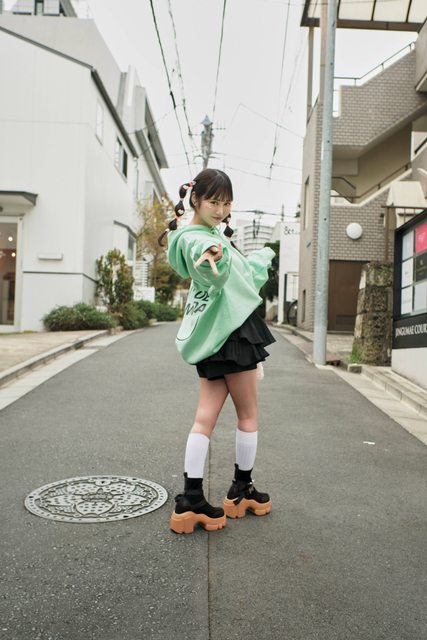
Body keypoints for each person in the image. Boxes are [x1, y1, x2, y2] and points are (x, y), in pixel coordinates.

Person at [159, 168, 276, 534]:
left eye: (226, 203)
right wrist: (212, 254)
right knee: (248, 416)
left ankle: (191, 498)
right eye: (214, 201)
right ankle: (241, 491)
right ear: (195, 199)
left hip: (213, 336)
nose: (221, 210)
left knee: (204, 418)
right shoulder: (197, 239)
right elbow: (205, 257)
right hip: (235, 332)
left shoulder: (202, 235)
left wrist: (256, 259)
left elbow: (236, 274)